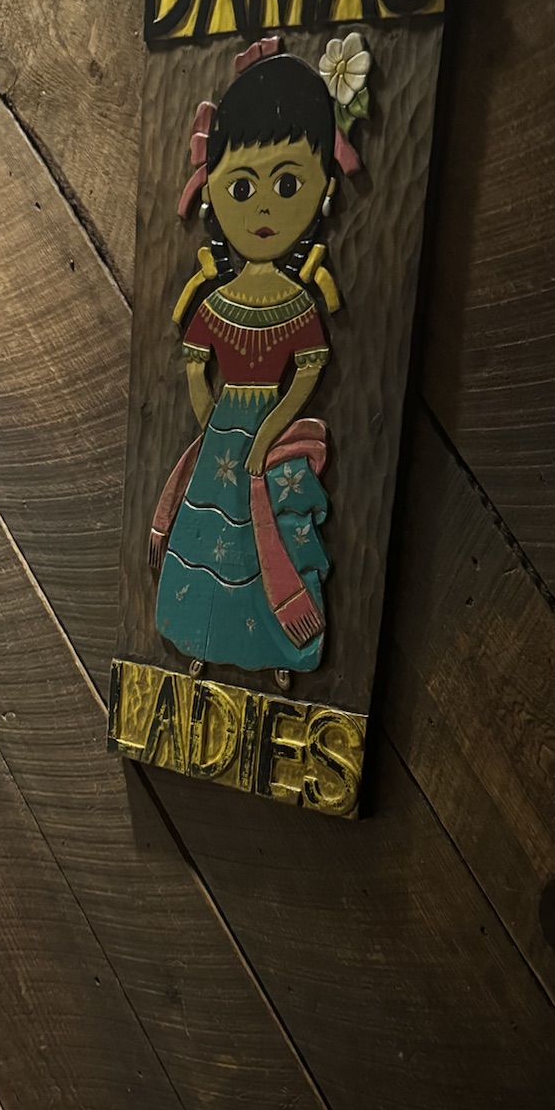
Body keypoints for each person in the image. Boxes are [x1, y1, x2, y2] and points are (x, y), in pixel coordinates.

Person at [149, 45, 348, 688]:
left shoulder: (299, 304)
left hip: (269, 430)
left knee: (268, 533)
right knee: (210, 531)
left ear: (323, 188)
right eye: (242, 187)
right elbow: (194, 365)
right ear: (213, 191)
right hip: (222, 433)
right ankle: (197, 639)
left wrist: (267, 434)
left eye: (287, 184)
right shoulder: (215, 303)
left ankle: (274, 650)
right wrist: (211, 419)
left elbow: (309, 372)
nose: (263, 208)